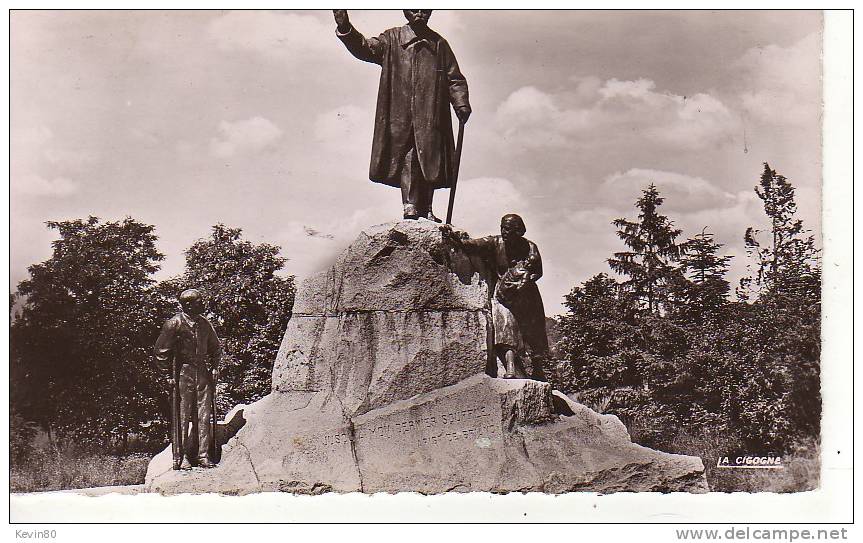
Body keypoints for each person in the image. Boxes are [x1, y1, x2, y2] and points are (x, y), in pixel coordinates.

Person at [333, 9, 471, 222]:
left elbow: (454, 78)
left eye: (425, 10)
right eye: (414, 8)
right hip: (401, 114)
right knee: (410, 157)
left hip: (431, 114)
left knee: (429, 159)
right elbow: (365, 48)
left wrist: (461, 103)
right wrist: (345, 29)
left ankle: (427, 209)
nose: (419, 13)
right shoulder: (392, 38)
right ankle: (410, 205)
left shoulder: (439, 44)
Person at [442, 215, 550, 380]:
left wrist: (525, 280)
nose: (504, 231)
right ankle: (510, 367)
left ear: (518, 231)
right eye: (502, 227)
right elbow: (471, 245)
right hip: (503, 294)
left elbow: (538, 272)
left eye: (508, 229)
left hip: (527, 294)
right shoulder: (494, 242)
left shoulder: (530, 247)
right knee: (505, 323)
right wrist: (452, 236)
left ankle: (538, 369)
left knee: (534, 330)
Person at [154, 289, 222, 469]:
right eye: (199, 301)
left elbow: (216, 347)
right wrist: (167, 375)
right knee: (182, 416)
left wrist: (215, 367)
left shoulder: (205, 324)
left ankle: (203, 455)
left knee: (204, 415)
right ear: (188, 304)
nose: (203, 303)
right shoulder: (174, 324)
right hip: (183, 373)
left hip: (202, 372)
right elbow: (161, 352)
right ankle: (181, 457)